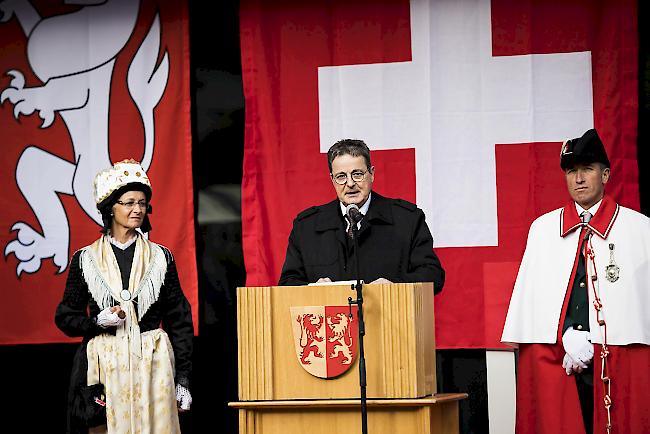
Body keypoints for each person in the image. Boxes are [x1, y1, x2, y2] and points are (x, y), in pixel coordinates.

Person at [501, 129, 650, 434]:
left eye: (587, 170)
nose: (578, 179)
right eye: (571, 171)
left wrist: (594, 342)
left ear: (605, 175)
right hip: (558, 356)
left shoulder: (639, 229)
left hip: (616, 358)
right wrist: (567, 336)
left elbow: (638, 305)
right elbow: (536, 302)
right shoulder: (542, 229)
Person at [55, 159, 194, 433]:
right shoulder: (86, 259)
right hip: (105, 366)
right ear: (111, 208)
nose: (137, 209)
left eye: (142, 203)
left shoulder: (160, 257)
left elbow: (179, 319)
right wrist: (97, 321)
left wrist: (183, 379)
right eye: (129, 202)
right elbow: (65, 317)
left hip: (153, 364)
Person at [278, 139, 445, 292]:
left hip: (390, 321)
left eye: (357, 174)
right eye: (341, 176)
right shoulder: (306, 227)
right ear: (332, 179)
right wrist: (312, 289)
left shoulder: (407, 220)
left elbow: (432, 276)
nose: (350, 183)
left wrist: (394, 286)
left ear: (371, 174)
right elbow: (287, 283)